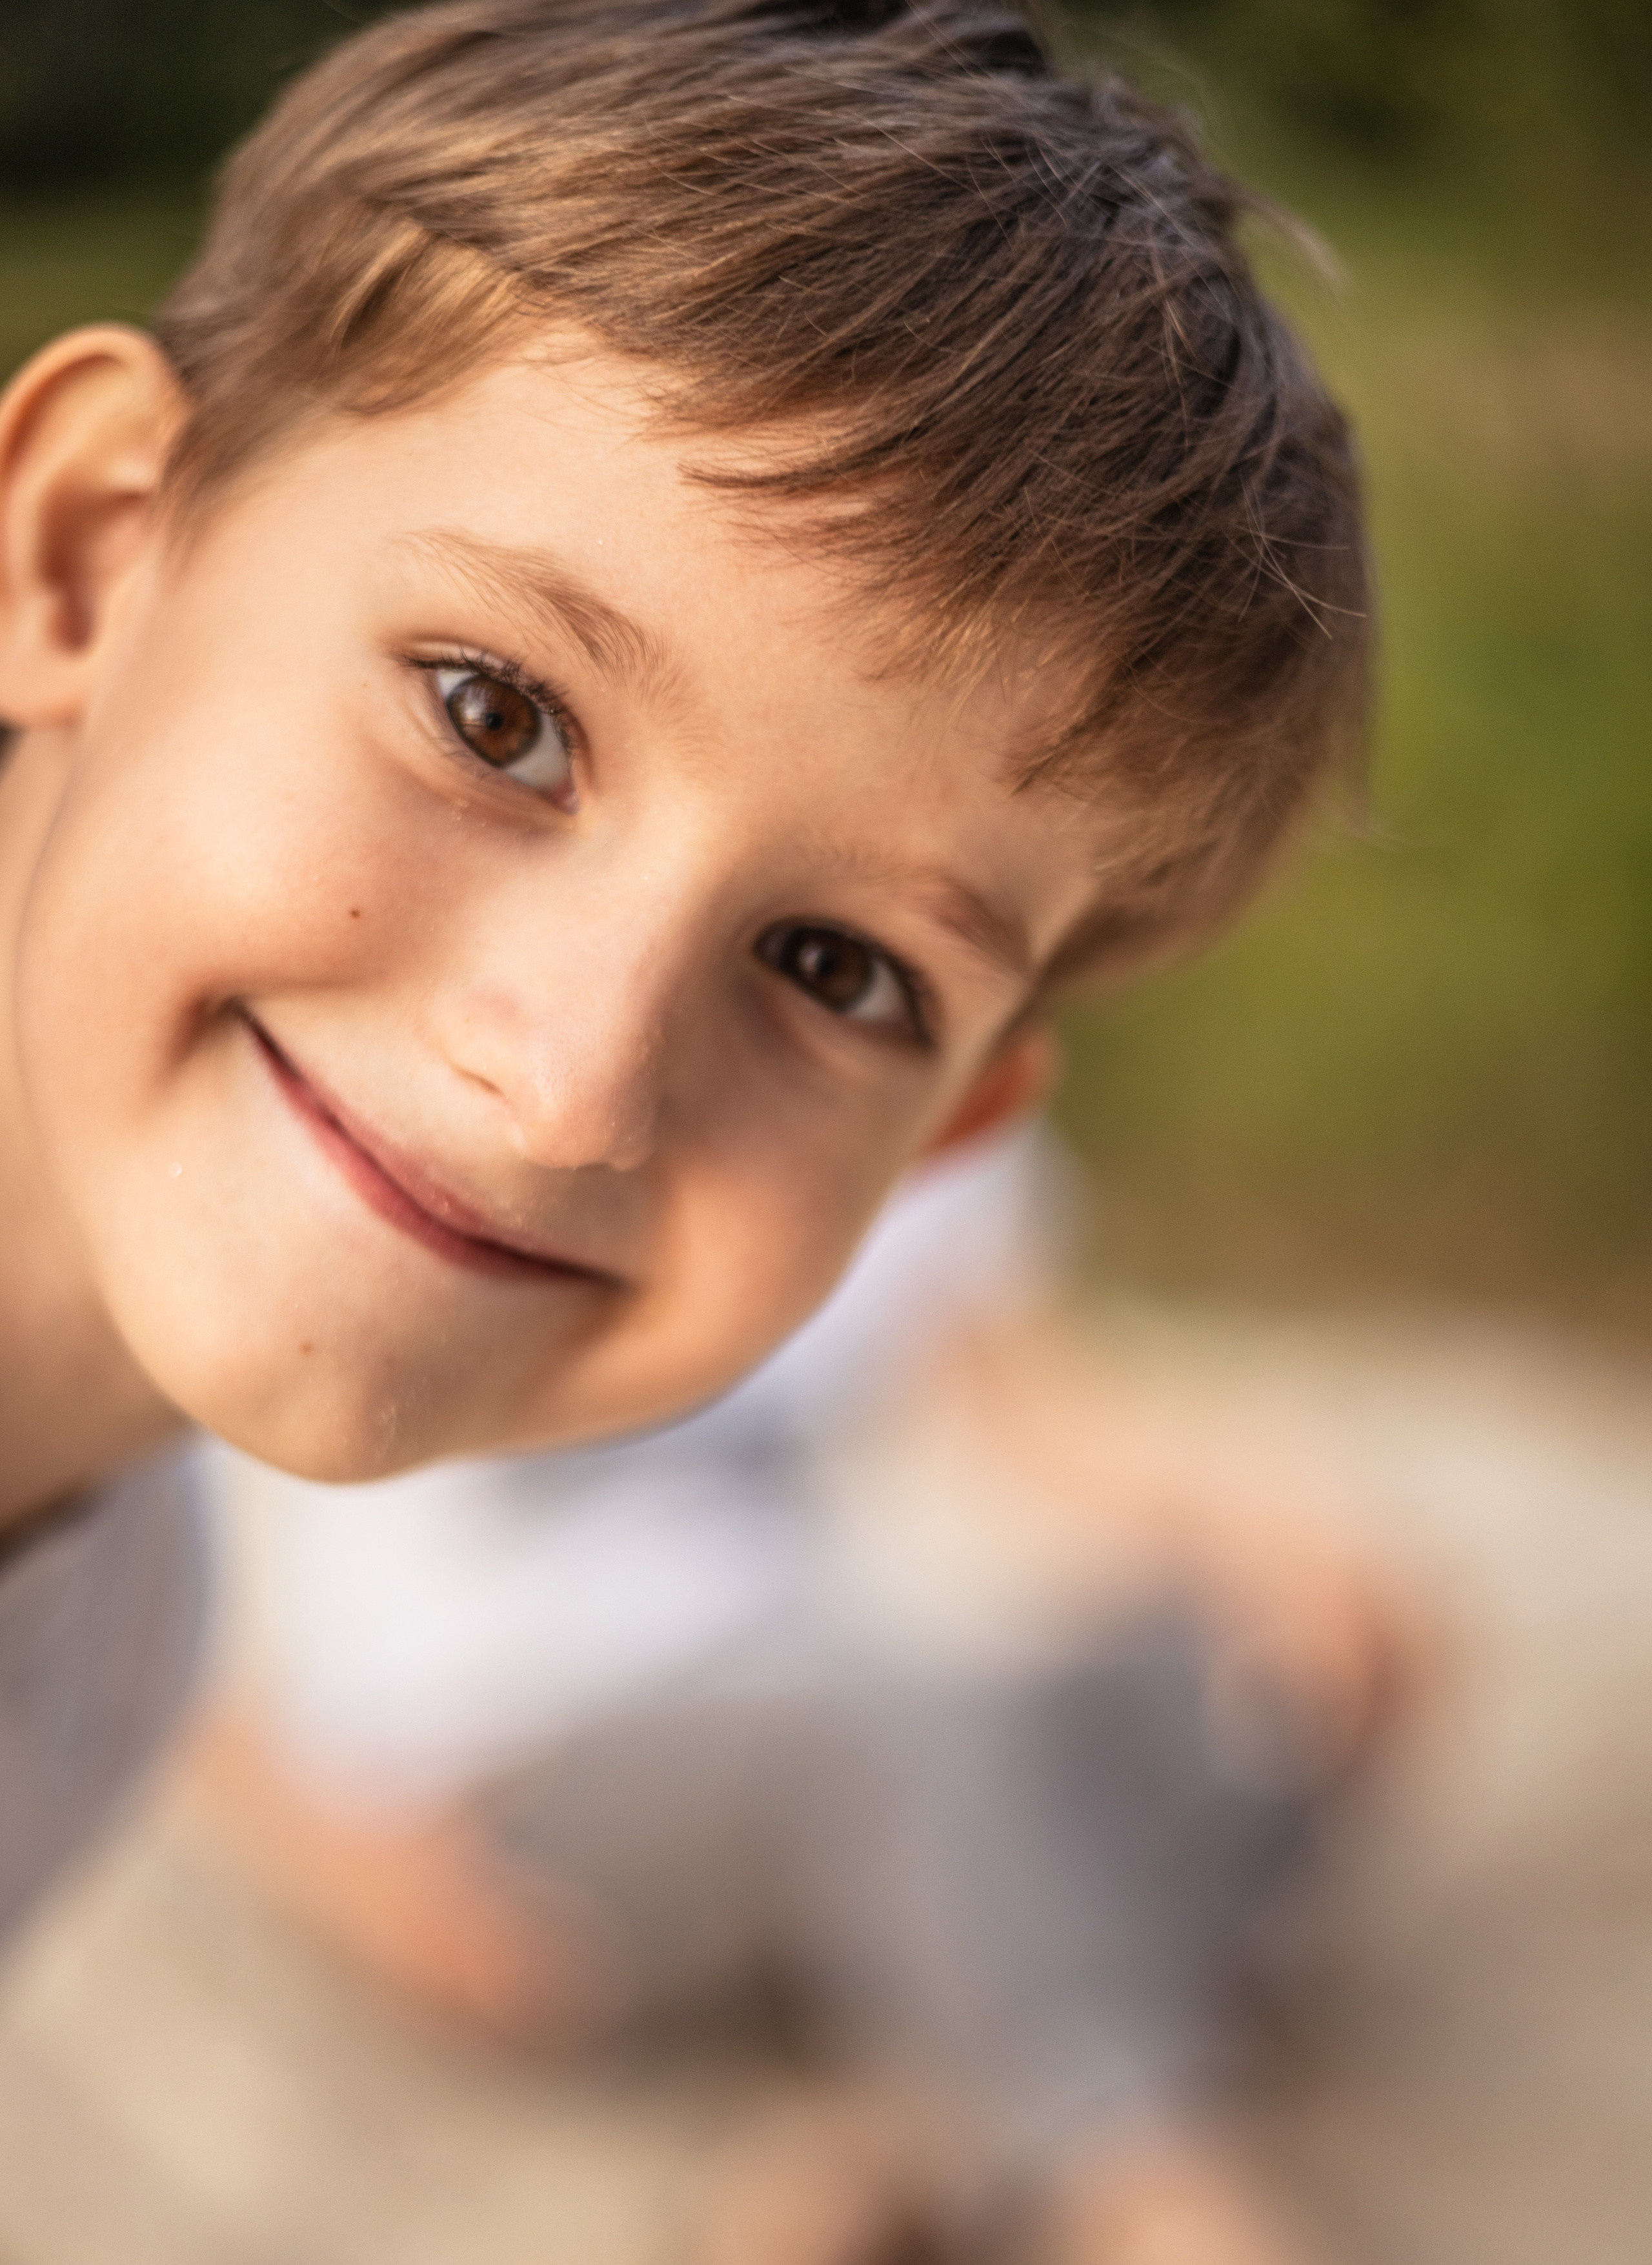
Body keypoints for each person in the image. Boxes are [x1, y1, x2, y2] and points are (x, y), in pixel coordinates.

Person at [0, 0, 1368, 2233]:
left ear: (941, 1136)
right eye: (493, 713)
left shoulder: (116, 1601)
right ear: (83, 555)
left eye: (840, 974)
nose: (565, 1087)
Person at [193, 1122, 1412, 2265]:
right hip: (513, 1773)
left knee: (1222, 1685)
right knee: (894, 1709)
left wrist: (1270, 1542)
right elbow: (155, 1537)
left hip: (819, 1709)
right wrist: (348, 1870)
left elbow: (1039, 1410)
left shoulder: (922, 1118)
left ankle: (924, 2116)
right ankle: (1155, 2202)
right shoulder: (506, 1092)